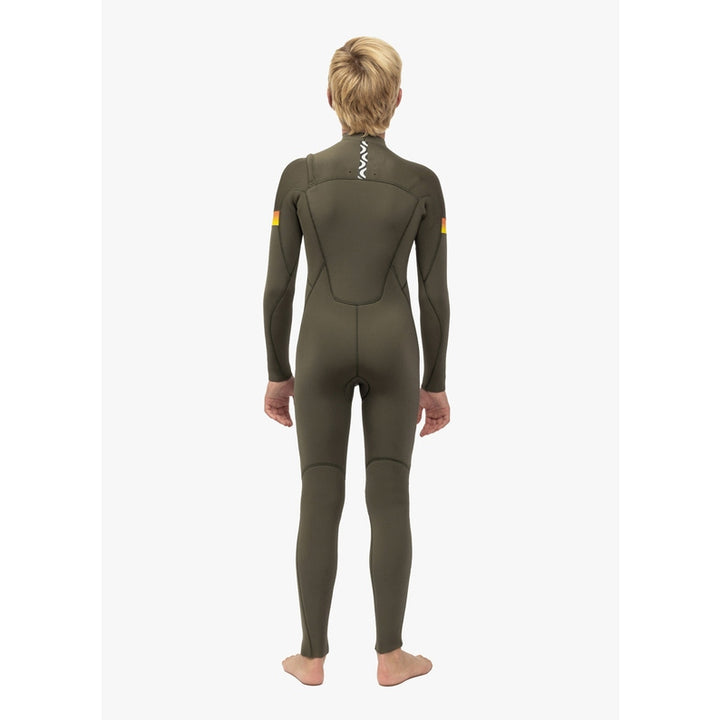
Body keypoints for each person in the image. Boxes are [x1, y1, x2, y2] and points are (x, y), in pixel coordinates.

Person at [263, 36, 451, 686]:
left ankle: (311, 657)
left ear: (330, 98)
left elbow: (279, 288)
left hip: (318, 347)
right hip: (395, 348)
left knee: (319, 491)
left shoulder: (299, 177)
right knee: (390, 494)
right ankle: (391, 658)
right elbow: (433, 295)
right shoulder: (423, 184)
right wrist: (435, 382)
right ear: (397, 99)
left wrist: (277, 372)